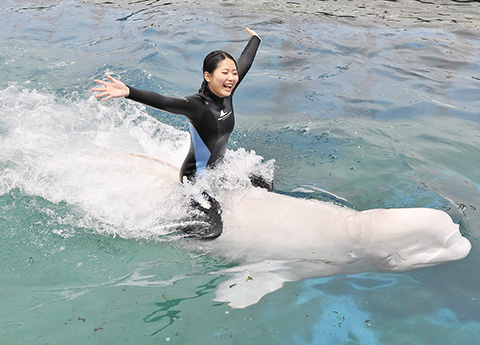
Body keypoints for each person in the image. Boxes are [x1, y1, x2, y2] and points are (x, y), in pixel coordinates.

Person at [92, 27, 265, 239]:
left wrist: (256, 39)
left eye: (234, 73)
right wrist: (128, 91)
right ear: (208, 76)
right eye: (225, 73)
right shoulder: (197, 105)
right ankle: (164, 227)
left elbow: (245, 61)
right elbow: (165, 102)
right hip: (195, 179)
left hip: (219, 170)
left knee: (264, 180)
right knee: (212, 232)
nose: (231, 78)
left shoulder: (227, 91)